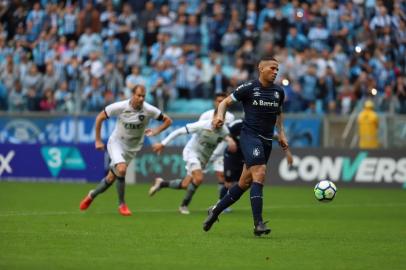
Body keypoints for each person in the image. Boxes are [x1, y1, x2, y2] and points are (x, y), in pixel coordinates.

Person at [203, 56, 291, 236]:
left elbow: (279, 113)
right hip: (249, 136)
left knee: (244, 183)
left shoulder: (278, 92)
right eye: (272, 68)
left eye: (277, 69)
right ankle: (258, 224)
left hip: (266, 141)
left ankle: (216, 210)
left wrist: (281, 132)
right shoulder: (249, 88)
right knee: (260, 172)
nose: (275, 72)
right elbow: (225, 102)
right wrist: (220, 116)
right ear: (261, 68)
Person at [79, 84, 172, 216]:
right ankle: (122, 205)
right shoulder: (120, 107)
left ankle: (92, 195)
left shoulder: (149, 110)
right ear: (132, 95)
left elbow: (168, 120)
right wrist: (98, 140)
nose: (141, 99)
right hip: (117, 143)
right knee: (122, 170)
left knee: (111, 178)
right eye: (138, 95)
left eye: (143, 96)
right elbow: (100, 117)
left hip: (132, 148)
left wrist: (156, 131)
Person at [148, 113, 236, 215]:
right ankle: (183, 205)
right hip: (191, 153)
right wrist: (163, 143)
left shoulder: (224, 130)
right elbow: (178, 131)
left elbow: (228, 138)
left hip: (204, 158)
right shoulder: (202, 125)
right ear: (214, 117)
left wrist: (231, 141)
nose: (219, 123)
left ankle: (161, 183)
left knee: (185, 184)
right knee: (199, 178)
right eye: (218, 119)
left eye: (222, 121)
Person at [198, 93, 235, 207]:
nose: (220, 103)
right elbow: (199, 131)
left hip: (220, 152)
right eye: (218, 101)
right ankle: (184, 203)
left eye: (222, 101)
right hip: (205, 151)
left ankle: (222, 204)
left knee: (223, 177)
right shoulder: (205, 115)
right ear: (215, 102)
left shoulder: (230, 117)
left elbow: (228, 134)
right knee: (193, 179)